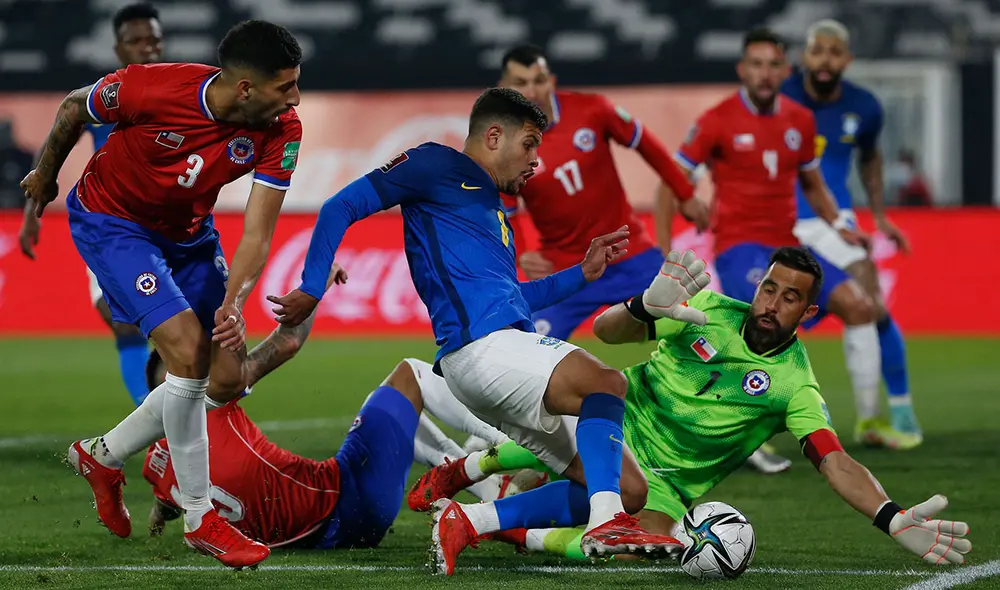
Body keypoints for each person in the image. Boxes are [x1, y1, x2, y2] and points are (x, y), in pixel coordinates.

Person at [267, 87, 687, 576]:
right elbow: (340, 206)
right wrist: (313, 285)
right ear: (493, 136)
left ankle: (470, 519)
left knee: (627, 487)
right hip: (482, 352)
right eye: (529, 144)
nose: (536, 160)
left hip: (501, 356)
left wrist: (583, 273)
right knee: (607, 383)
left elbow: (514, 298)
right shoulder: (432, 164)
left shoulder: (494, 208)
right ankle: (606, 520)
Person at [412, 247, 972, 568]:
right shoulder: (705, 307)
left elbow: (835, 461)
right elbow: (606, 333)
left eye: (791, 297)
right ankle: (468, 470)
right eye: (770, 288)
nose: (773, 303)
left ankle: (502, 522)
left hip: (669, 485)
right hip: (606, 421)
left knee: (635, 550)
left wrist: (891, 516)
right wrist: (640, 306)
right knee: (576, 469)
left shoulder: (794, 386)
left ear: (810, 311)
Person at [20, 20, 304, 568]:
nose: (295, 98)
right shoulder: (154, 87)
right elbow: (74, 107)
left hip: (190, 236)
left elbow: (258, 232)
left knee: (224, 377)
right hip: (115, 223)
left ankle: (102, 456)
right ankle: (201, 518)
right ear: (245, 88)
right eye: (285, 87)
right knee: (187, 354)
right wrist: (45, 175)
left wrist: (235, 303)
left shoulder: (283, 128)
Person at [144, 268, 542, 549]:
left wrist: (160, 516)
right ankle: (518, 440)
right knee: (411, 377)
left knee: (392, 417)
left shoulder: (157, 461)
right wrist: (315, 287)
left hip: (326, 536)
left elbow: (168, 499)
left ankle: (491, 489)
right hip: (347, 496)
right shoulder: (217, 398)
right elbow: (288, 342)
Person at [659, 28, 879, 474]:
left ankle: (869, 422)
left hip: (788, 245)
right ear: (743, 70)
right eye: (755, 64)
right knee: (762, 328)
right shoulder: (718, 119)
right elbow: (671, 183)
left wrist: (840, 224)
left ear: (784, 70)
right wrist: (665, 251)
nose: (764, 73)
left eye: (772, 64)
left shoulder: (799, 120)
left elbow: (813, 185)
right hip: (739, 245)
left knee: (859, 306)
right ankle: (746, 434)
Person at [496, 44, 708, 339]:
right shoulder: (506, 148)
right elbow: (506, 212)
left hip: (629, 253)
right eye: (521, 83)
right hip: (566, 270)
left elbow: (646, 144)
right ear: (504, 88)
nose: (532, 91)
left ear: (551, 81)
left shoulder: (591, 109)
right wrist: (524, 254)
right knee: (522, 345)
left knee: (696, 327)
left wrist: (685, 194)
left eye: (539, 80)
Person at [781, 19, 921, 449]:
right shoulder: (780, 99)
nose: (825, 60)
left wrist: (878, 216)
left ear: (847, 59)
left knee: (872, 303)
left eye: (834, 51)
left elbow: (871, 159)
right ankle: (751, 420)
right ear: (805, 56)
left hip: (835, 220)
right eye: (817, 50)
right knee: (766, 319)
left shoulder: (865, 107)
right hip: (781, 221)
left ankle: (893, 412)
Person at [18, 2, 165, 406]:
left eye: (153, 40)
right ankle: (150, 415)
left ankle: (191, 415)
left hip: (172, 225)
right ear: (118, 49)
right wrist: (32, 214)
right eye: (136, 41)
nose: (146, 48)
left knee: (184, 328)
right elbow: (51, 145)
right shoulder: (103, 97)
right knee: (121, 321)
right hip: (111, 223)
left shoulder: (180, 93)